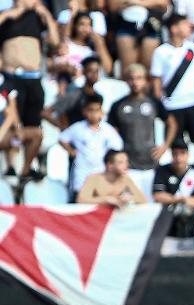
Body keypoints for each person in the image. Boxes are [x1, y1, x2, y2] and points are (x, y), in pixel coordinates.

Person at [0, 0, 60, 178]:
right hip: (11, 76)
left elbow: (55, 42)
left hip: (33, 77)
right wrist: (7, 15)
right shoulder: (6, 16)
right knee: (13, 122)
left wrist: (47, 15)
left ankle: (27, 168)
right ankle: (11, 166)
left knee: (33, 125)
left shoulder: (37, 18)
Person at [151, 14, 194, 150]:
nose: (189, 27)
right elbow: (156, 82)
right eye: (185, 24)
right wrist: (162, 107)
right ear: (174, 28)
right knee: (176, 147)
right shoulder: (160, 52)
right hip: (173, 106)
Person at [108, 63, 178, 172]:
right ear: (126, 80)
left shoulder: (153, 102)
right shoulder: (118, 105)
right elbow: (111, 133)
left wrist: (165, 146)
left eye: (139, 78)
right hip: (127, 166)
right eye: (131, 78)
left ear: (146, 80)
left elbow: (172, 123)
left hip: (151, 162)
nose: (135, 82)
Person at [59, 95, 124, 193]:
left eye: (97, 110)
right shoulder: (77, 128)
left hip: (102, 172)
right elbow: (62, 138)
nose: (94, 114)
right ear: (84, 111)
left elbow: (117, 147)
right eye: (90, 110)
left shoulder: (108, 130)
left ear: (102, 112)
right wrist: (71, 151)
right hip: (82, 173)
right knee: (81, 199)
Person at [152, 140, 194, 237]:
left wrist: (193, 200)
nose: (178, 158)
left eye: (182, 154)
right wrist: (181, 199)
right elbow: (158, 196)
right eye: (175, 154)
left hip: (192, 217)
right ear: (171, 155)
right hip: (169, 217)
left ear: (188, 155)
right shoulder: (162, 170)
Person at [110, 0, 167, 71]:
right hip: (126, 26)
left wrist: (137, 3)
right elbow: (113, 6)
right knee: (129, 70)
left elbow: (163, 4)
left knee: (149, 68)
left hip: (150, 26)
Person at [76, 150, 147, 206]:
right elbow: (81, 199)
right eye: (121, 162)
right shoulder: (94, 179)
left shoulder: (125, 179)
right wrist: (106, 200)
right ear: (110, 165)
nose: (127, 165)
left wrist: (130, 198)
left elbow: (143, 200)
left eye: (126, 162)